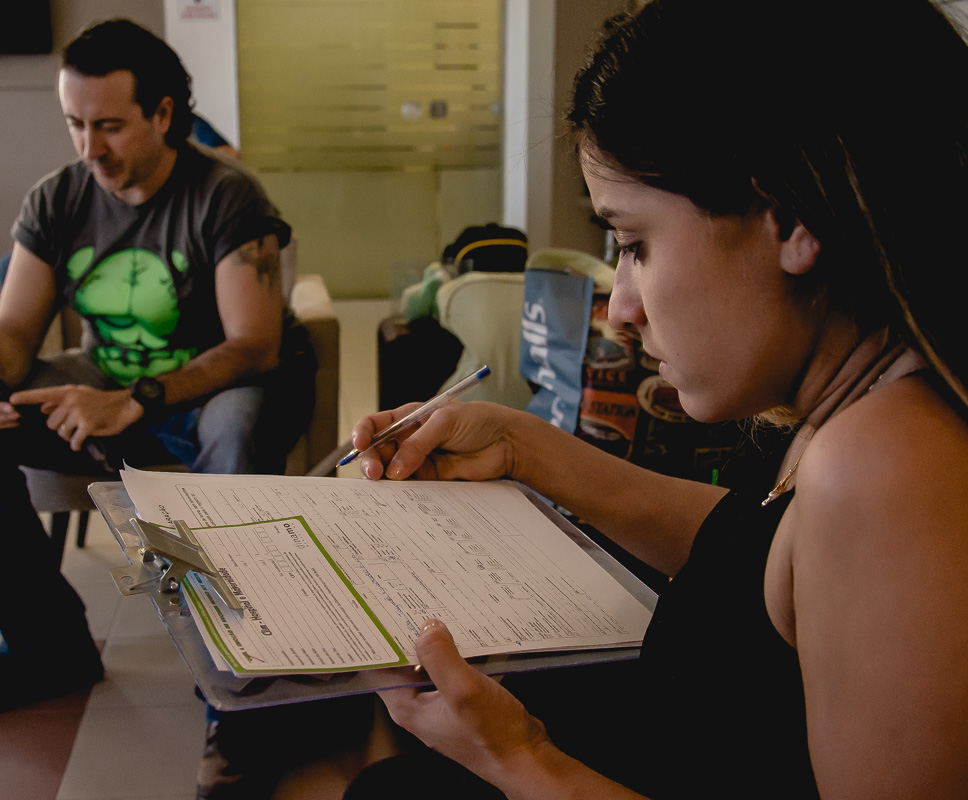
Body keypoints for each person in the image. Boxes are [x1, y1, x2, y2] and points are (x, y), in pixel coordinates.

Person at [337, 0, 968, 797]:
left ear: (794, 220)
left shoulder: (885, 467)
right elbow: (749, 559)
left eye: (635, 244)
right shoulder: (863, 400)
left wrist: (516, 755)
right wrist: (520, 445)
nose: (621, 307)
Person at [0, 18, 297, 724]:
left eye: (110, 127)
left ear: (163, 115)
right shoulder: (57, 197)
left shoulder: (227, 197)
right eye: (76, 124)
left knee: (238, 423)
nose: (90, 147)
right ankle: (47, 648)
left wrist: (135, 398)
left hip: (208, 394)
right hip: (108, 383)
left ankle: (238, 684)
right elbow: (12, 328)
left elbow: (254, 346)